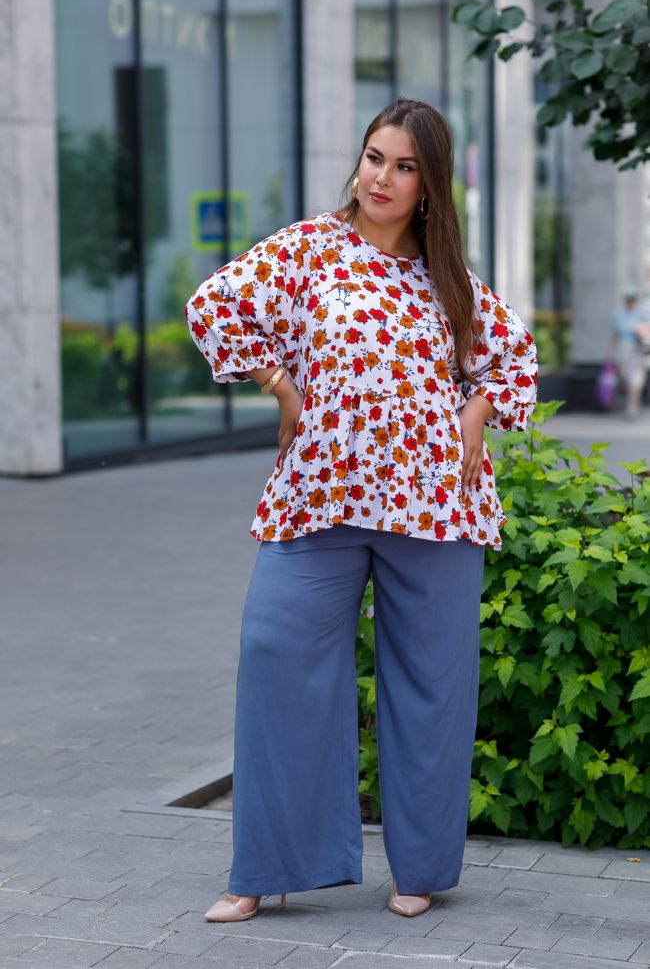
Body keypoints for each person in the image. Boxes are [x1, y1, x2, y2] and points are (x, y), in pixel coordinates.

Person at [186, 98, 538, 922]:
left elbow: (514, 354)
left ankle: (421, 868)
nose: (382, 177)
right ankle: (263, 869)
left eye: (405, 166)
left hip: (436, 505)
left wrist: (474, 415)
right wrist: (281, 386)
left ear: (430, 185)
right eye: (376, 157)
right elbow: (215, 304)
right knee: (275, 654)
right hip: (320, 495)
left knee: (430, 686)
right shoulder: (309, 249)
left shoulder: (448, 280)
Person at [607, 290, 650, 419]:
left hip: (638, 350)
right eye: (628, 299)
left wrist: (642, 333)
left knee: (636, 378)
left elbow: (647, 331)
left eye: (633, 299)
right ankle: (632, 399)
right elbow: (615, 335)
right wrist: (610, 352)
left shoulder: (642, 314)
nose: (630, 302)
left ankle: (632, 406)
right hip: (623, 349)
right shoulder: (619, 315)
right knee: (624, 376)